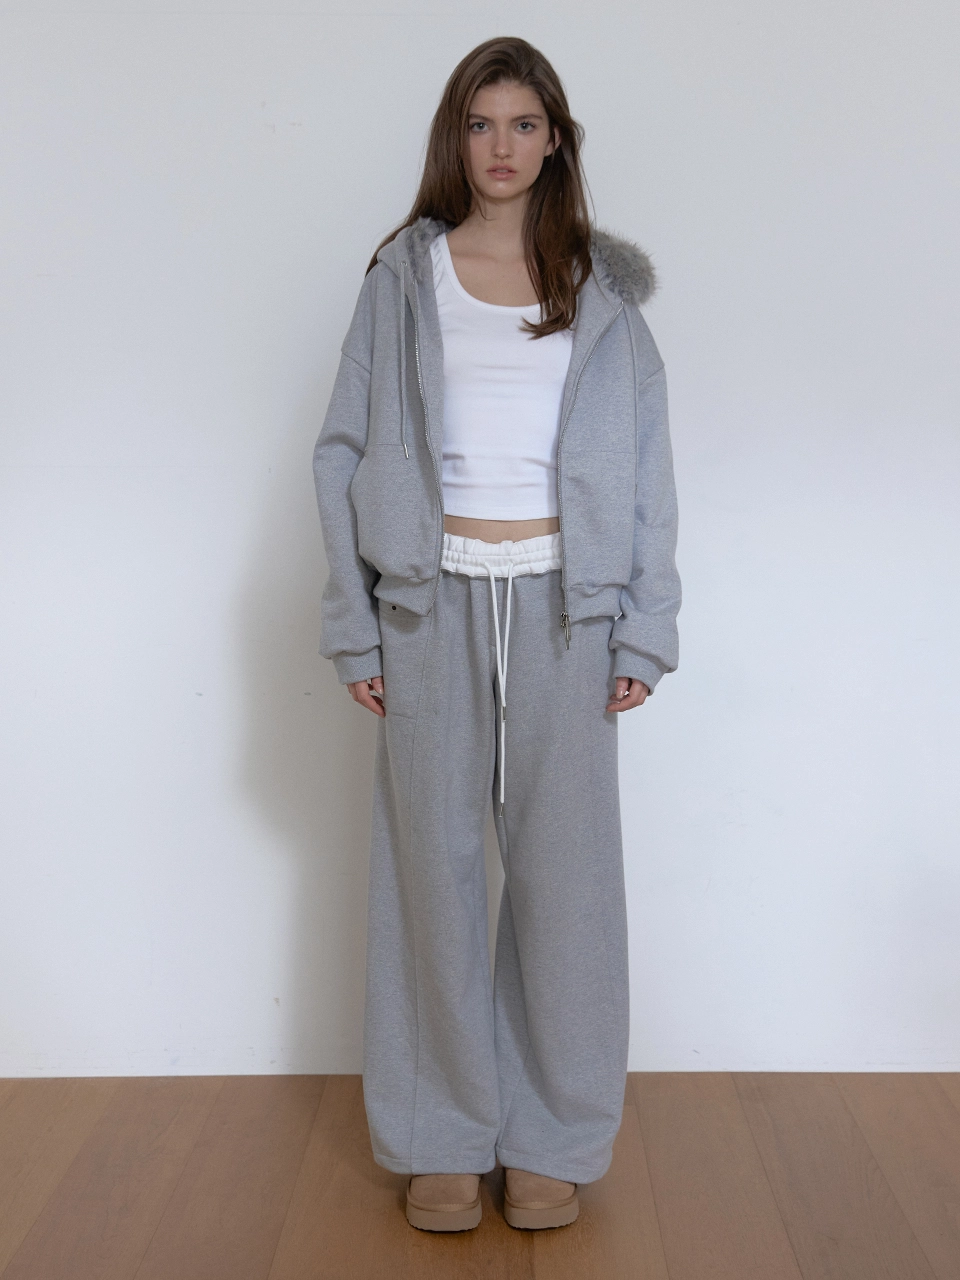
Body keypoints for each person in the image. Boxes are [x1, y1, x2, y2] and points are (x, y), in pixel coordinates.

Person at [313, 35, 680, 1233]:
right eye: (482, 124)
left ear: (557, 139)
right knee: (433, 873)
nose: (503, 147)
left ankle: (550, 1136)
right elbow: (341, 453)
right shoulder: (401, 278)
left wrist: (645, 626)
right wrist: (355, 623)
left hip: (570, 607)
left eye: (525, 124)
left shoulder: (602, 290)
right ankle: (441, 1134)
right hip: (428, 604)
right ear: (455, 139)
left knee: (568, 885)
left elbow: (648, 471)